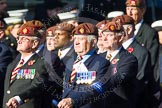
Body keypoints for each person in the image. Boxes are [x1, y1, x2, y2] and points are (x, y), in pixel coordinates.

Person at [57, 23, 110, 108]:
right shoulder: (69, 61)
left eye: (81, 39)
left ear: (93, 42)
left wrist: (73, 100)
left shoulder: (102, 63)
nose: (76, 42)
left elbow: (96, 89)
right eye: (75, 39)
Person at [3, 25, 48, 108]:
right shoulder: (12, 64)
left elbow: (37, 86)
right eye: (18, 38)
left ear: (34, 44)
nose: (19, 41)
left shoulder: (41, 63)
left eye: (24, 39)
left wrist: (19, 98)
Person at [112, 15, 152, 108]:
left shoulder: (140, 52)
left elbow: (140, 81)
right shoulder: (115, 50)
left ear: (129, 30)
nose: (114, 33)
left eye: (118, 30)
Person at [101, 21, 138, 108]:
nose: (104, 39)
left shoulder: (128, 59)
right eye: (103, 35)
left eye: (109, 35)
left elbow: (119, 78)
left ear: (120, 37)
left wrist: (97, 82)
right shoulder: (98, 58)